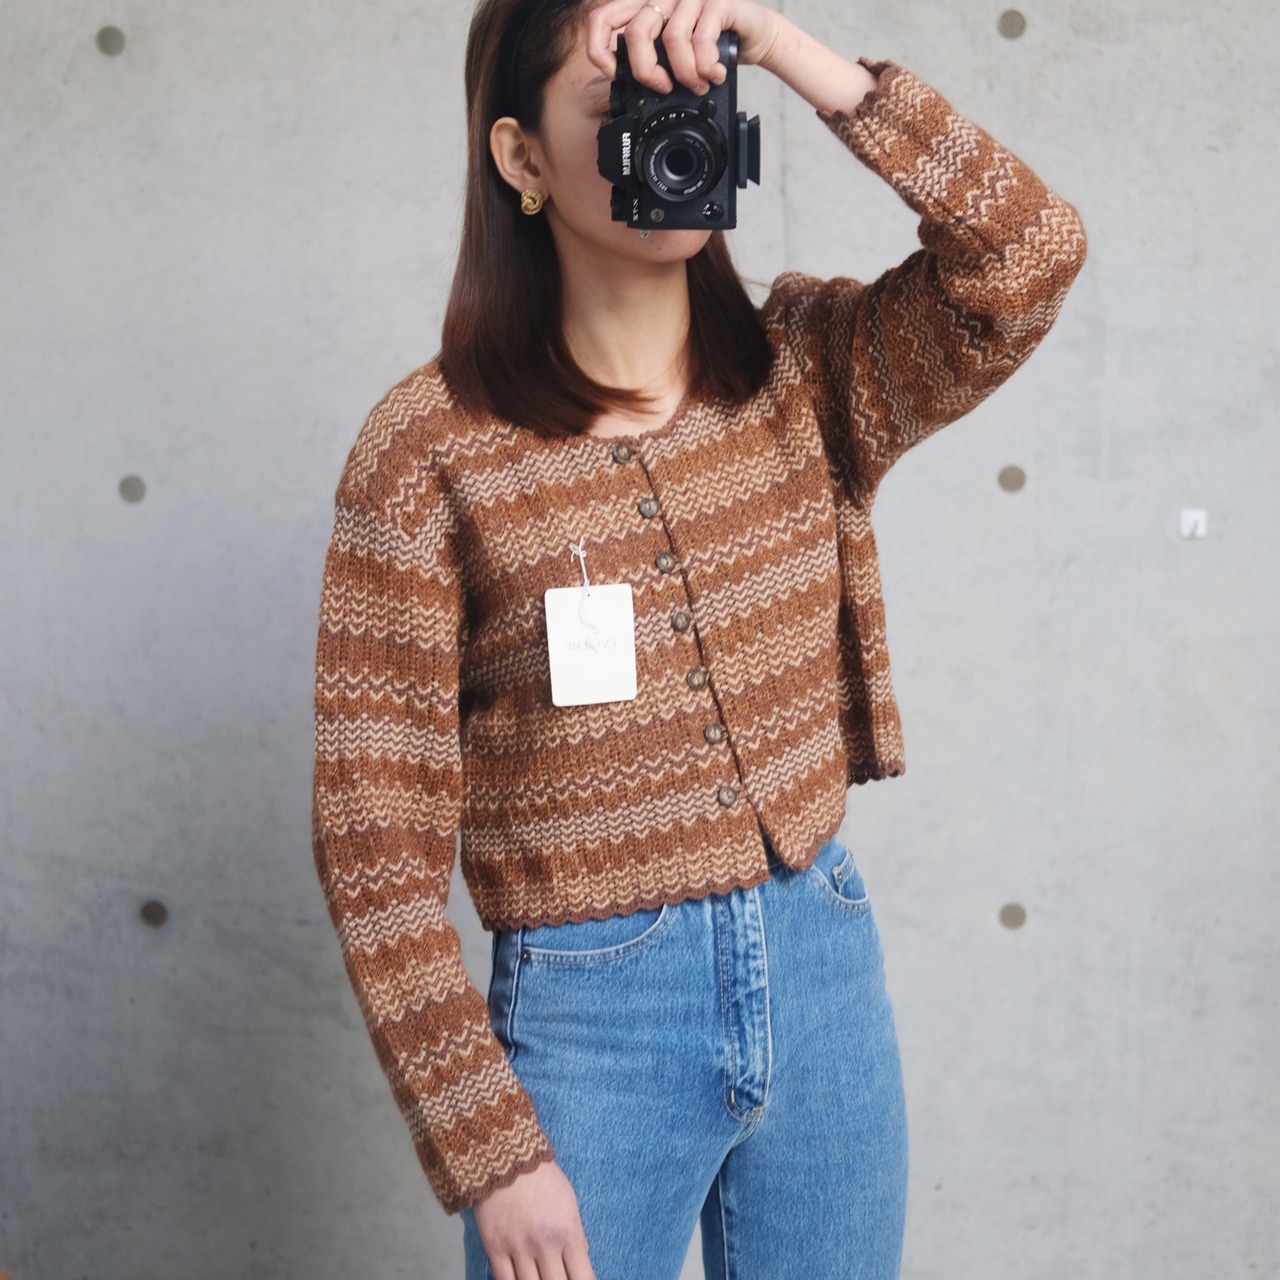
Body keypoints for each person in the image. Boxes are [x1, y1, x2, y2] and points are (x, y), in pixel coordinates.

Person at [309, 0, 1087, 1276]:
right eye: (619, 103)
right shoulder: (426, 453)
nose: (668, 126)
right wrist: (486, 1146)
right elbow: (371, 835)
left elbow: (1027, 254)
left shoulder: (809, 368)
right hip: (590, 1015)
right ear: (519, 156)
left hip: (821, 963)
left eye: (691, 96)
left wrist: (782, 49)